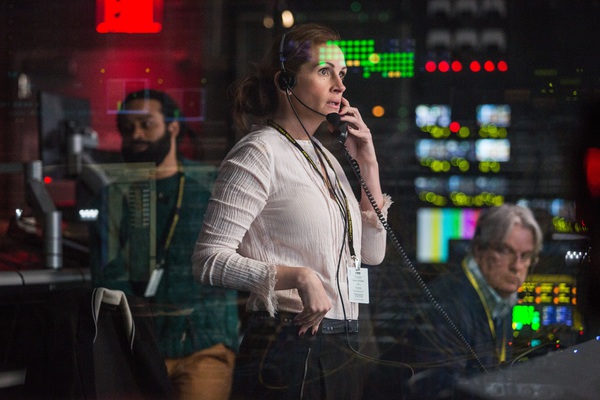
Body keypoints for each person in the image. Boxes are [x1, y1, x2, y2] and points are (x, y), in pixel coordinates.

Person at [191, 23, 391, 399]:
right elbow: (208, 261)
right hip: (289, 340)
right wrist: (299, 277)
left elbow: (372, 253)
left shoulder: (326, 157)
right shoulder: (259, 152)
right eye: (324, 71)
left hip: (343, 342)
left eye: (343, 74)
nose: (340, 86)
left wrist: (368, 164)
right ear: (286, 81)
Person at [90, 89, 239, 400]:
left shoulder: (209, 184)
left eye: (146, 124)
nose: (136, 134)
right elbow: (106, 271)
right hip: (138, 349)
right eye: (128, 128)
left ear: (172, 127)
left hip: (204, 345)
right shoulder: (116, 195)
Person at [407, 204, 543, 399]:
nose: (517, 266)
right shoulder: (446, 305)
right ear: (479, 250)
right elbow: (440, 391)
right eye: (506, 251)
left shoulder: (501, 298)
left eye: (526, 256)